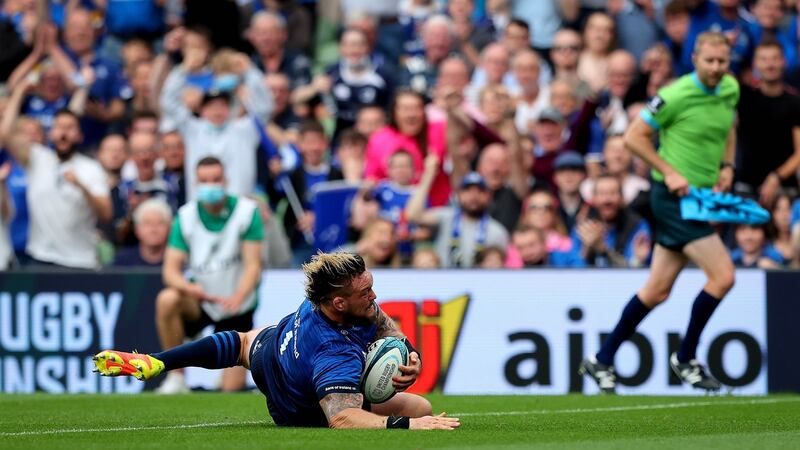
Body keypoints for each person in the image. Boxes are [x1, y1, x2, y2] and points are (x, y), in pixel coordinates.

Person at [93, 251, 460, 430]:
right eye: (366, 291)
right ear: (339, 303)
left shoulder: (331, 301)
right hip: (295, 407)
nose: (375, 297)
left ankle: (158, 361)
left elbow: (386, 326)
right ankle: (158, 362)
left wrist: (410, 354)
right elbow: (342, 417)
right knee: (421, 410)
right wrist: (406, 426)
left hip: (275, 347)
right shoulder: (336, 352)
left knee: (240, 344)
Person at [580, 32, 739, 393]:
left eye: (722, 61)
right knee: (724, 276)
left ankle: (601, 359)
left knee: (656, 290)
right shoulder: (674, 95)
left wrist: (727, 165)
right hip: (672, 200)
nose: (716, 68)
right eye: (710, 61)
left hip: (700, 199)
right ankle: (686, 358)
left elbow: (730, 125)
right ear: (695, 58)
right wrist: (668, 171)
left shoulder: (730, 89)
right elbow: (634, 137)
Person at [154, 157, 263, 393]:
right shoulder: (185, 216)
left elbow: (253, 264)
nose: (211, 185)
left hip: (237, 303)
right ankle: (176, 377)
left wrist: (239, 296)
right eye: (204, 180)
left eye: (215, 179)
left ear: (225, 180)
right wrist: (189, 288)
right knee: (167, 299)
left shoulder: (246, 212)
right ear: (196, 182)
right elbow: (170, 271)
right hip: (202, 298)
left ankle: (225, 376)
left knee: (231, 389)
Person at [4, 109, 112, 269]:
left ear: (79, 135)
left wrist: (82, 187)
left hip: (81, 260)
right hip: (41, 257)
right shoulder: (38, 158)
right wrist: (20, 90)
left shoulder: (91, 168)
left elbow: (106, 214)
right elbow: (5, 134)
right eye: (59, 127)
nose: (64, 133)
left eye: (70, 128)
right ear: (51, 133)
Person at [405, 156, 509, 268]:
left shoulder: (497, 231)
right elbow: (412, 215)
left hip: (481, 283)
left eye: (480, 191)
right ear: (458, 195)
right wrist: (428, 175)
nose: (473, 196)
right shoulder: (446, 217)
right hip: (444, 282)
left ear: (489, 196)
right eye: (467, 190)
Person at [736, 41, 800, 205]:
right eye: (763, 59)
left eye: (774, 59)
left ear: (783, 62)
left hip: (784, 188)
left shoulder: (795, 102)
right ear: (755, 64)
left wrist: (776, 177)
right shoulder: (743, 98)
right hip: (746, 186)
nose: (769, 65)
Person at [113, 198, 172, 267]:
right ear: (137, 229)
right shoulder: (122, 261)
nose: (153, 229)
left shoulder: (179, 260)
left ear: (169, 228)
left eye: (160, 223)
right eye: (147, 223)